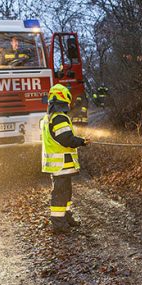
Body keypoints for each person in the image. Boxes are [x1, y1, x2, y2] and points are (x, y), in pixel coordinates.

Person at [41, 84, 89, 233]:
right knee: (60, 194)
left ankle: (66, 217)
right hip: (61, 164)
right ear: (64, 99)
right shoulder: (59, 118)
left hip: (60, 165)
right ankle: (59, 224)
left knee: (66, 192)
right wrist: (82, 141)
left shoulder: (49, 118)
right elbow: (66, 139)